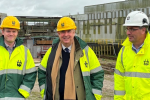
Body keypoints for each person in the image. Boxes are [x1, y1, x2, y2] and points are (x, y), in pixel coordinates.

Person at [38, 17, 104, 100]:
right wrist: (44, 91)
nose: (66, 35)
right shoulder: (51, 52)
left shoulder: (85, 51)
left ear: (74, 31)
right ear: (58, 33)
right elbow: (42, 72)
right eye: (62, 32)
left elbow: (97, 74)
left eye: (69, 31)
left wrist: (94, 96)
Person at [114, 11, 150, 99]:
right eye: (127, 29)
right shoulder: (123, 51)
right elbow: (119, 81)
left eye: (132, 29)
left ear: (143, 30)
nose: (128, 33)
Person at [0, 16, 37, 100]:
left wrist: (23, 93)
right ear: (3, 32)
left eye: (14, 31)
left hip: (17, 97)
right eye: (8, 31)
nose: (11, 34)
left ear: (17, 32)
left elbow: (31, 74)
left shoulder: (25, 51)